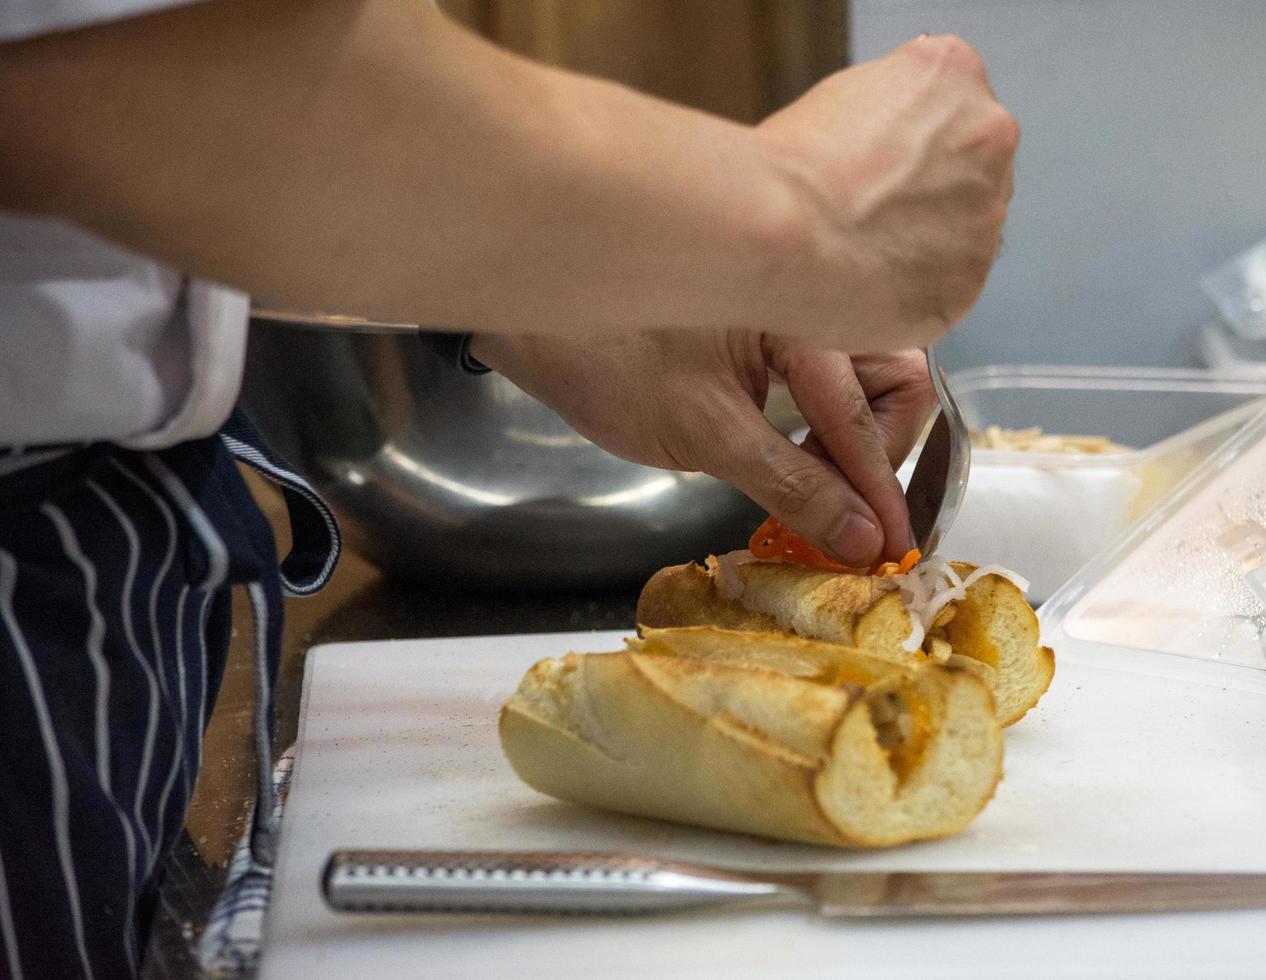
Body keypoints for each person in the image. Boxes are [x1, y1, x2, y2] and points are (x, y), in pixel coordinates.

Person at [0, 2, 1018, 977]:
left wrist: (552, 303)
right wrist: (788, 200)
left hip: (109, 574)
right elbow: (107, 68)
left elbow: (197, 137)